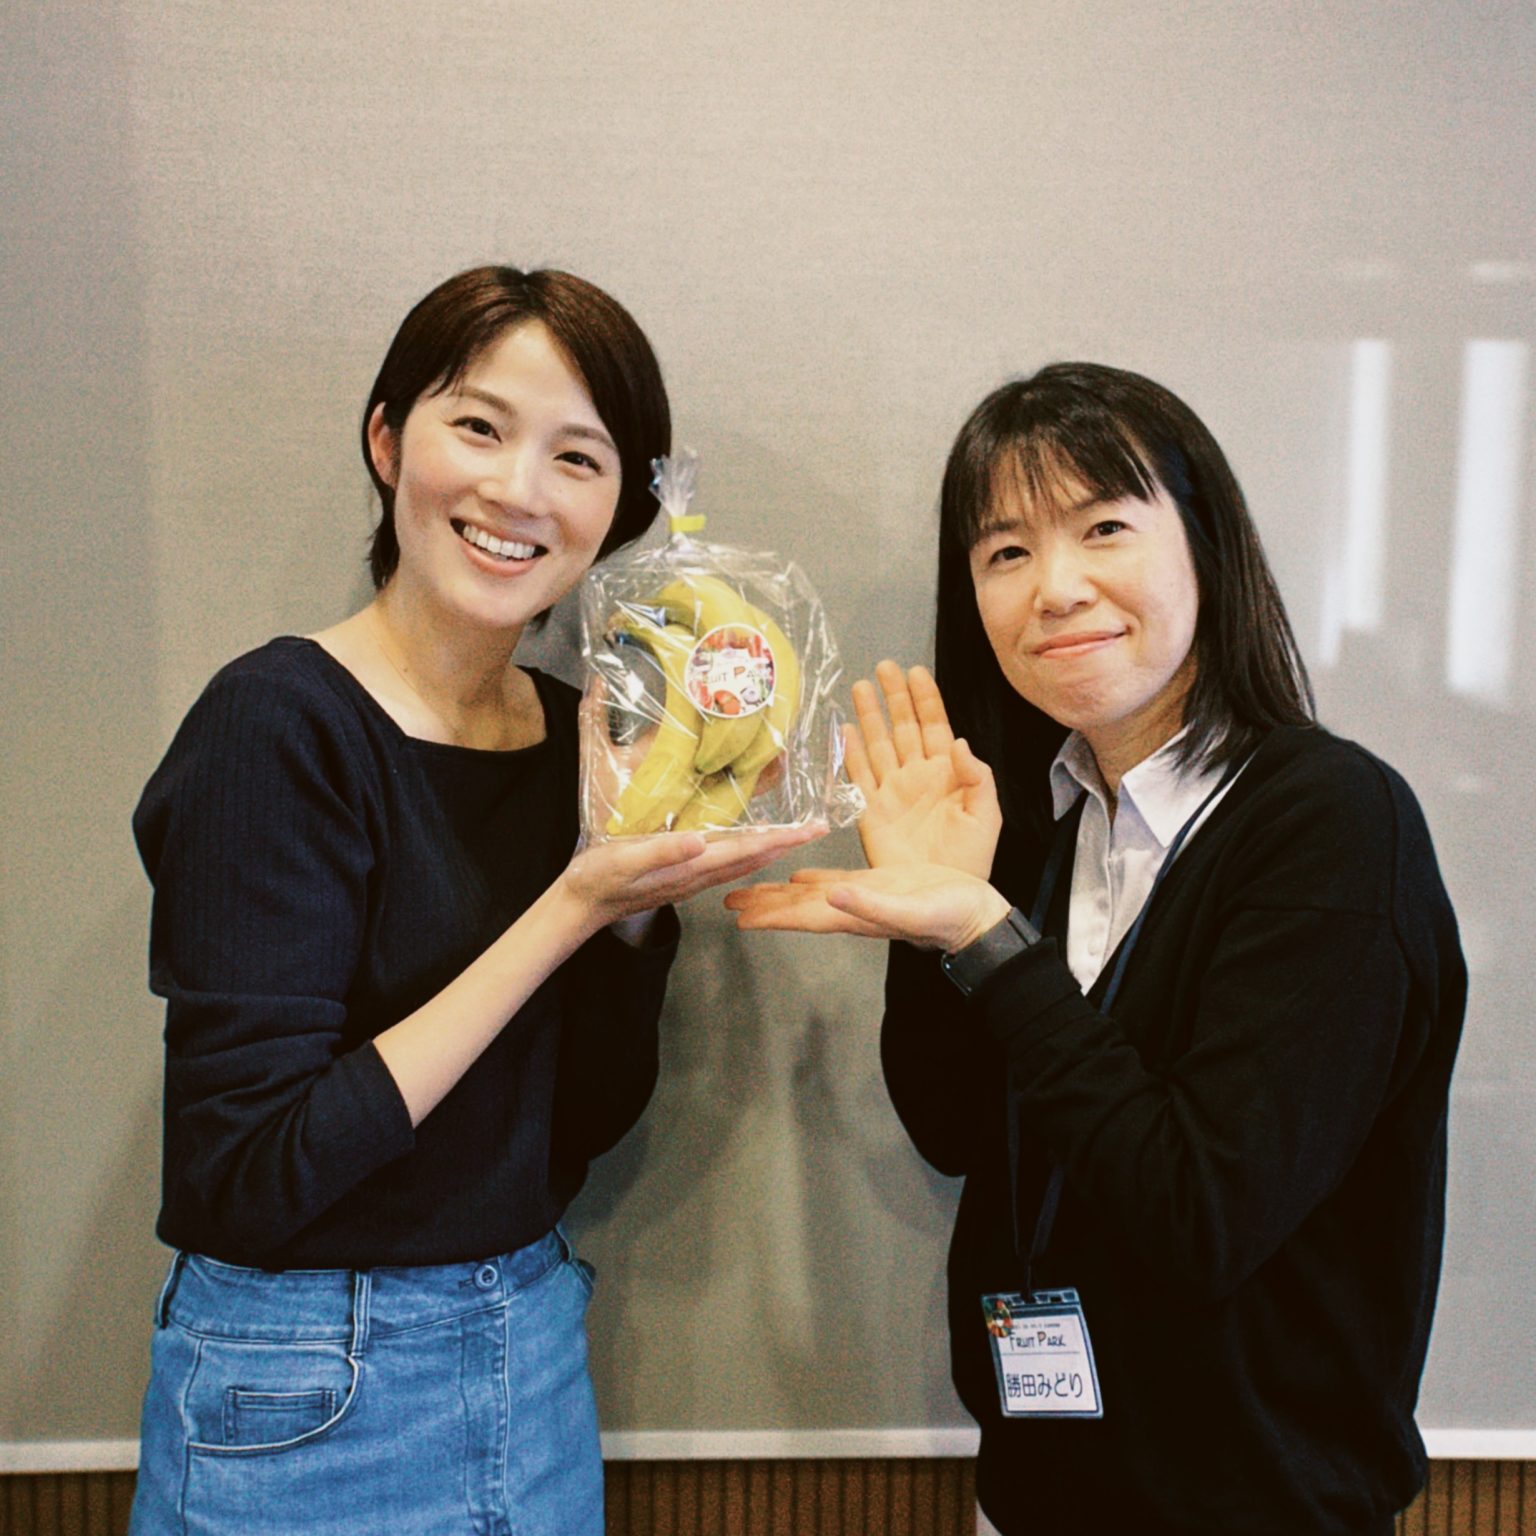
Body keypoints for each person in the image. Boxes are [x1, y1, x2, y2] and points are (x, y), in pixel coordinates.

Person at [127, 264, 819, 1536]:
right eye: (480, 427)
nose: (518, 491)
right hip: (305, 1385)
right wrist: (570, 906)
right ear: (389, 442)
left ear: (619, 510)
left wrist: (634, 909)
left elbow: (579, 1127)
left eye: (577, 457)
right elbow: (249, 1173)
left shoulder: (579, 740)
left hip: (531, 1346)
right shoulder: (277, 725)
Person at [728, 363, 1465, 1535]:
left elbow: (1199, 1215)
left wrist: (985, 937)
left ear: (1205, 546)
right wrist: (937, 917)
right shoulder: (1047, 817)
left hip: (1254, 1510)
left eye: (1104, 528)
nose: (1056, 588)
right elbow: (956, 1128)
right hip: (1032, 1491)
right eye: (1006, 552)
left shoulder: (1331, 825)